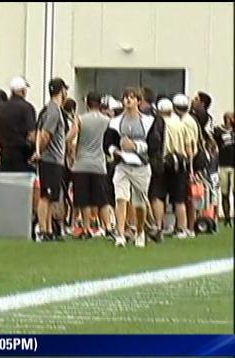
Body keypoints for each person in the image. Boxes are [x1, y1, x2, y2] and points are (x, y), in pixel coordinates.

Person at [105, 87, 161, 248]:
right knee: (120, 198)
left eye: (132, 97)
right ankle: (120, 235)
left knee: (139, 203)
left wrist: (135, 146)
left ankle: (140, 231)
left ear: (138, 101)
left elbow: (154, 145)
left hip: (141, 166)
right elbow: (108, 142)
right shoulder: (115, 122)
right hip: (122, 165)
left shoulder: (148, 121)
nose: (128, 100)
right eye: (125, 98)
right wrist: (114, 151)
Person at [71, 92, 112, 239]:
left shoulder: (81, 119)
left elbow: (70, 137)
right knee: (102, 199)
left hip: (82, 163)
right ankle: (107, 226)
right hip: (99, 164)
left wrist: (71, 152)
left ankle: (87, 227)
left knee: (84, 199)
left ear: (87, 103)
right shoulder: (107, 120)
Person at [149, 98, 191, 240]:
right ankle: (182, 228)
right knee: (179, 199)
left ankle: (159, 225)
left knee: (158, 195)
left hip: (164, 161)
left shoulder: (158, 123)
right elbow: (188, 146)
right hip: (180, 162)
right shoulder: (180, 123)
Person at [32, 78, 68, 242]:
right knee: (46, 196)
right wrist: (40, 152)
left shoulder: (51, 109)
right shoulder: (53, 111)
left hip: (54, 160)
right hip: (51, 159)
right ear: (62, 91)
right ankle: (44, 230)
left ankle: (48, 229)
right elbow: (45, 134)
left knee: (51, 196)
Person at [0, 76, 36, 173]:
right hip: (22, 157)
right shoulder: (27, 108)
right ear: (23, 91)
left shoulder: (0, 108)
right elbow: (32, 135)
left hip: (4, 155)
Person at [173, 94, 201, 237]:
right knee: (189, 197)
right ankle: (190, 226)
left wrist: (190, 168)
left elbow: (189, 145)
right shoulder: (191, 119)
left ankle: (188, 227)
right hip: (191, 160)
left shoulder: (185, 121)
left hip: (188, 161)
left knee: (186, 197)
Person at [214, 112, 234, 226]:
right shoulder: (219, 131)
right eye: (227, 118)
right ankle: (227, 218)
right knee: (224, 193)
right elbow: (213, 140)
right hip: (223, 164)